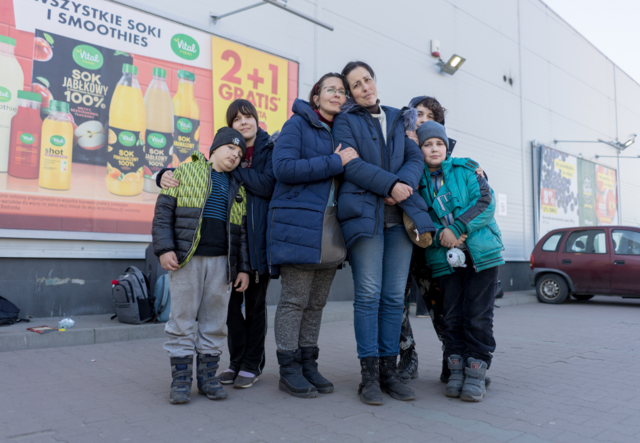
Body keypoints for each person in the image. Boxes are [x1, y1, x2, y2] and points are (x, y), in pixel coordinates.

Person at [332, 61, 435, 405]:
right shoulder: (346, 120)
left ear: (375, 81)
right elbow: (351, 164)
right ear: (350, 92)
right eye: (356, 85)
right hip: (366, 217)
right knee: (369, 295)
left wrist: (403, 184)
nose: (365, 87)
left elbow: (414, 157)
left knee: (394, 298)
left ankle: (390, 372)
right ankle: (369, 377)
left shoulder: (397, 116)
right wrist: (389, 184)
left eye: (367, 80)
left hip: (400, 220)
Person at [158, 100, 276, 389]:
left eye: (249, 116)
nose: (244, 122)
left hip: (241, 253)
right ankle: (199, 375)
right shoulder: (190, 172)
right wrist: (162, 174)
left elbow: (262, 195)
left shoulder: (266, 154)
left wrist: (244, 267)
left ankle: (232, 370)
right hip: (201, 257)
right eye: (237, 119)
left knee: (237, 313)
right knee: (204, 315)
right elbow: (166, 210)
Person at [268, 73, 358, 398]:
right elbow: (284, 168)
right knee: (294, 301)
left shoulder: (346, 130)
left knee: (317, 303)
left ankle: (308, 363)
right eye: (330, 89)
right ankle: (288, 369)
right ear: (316, 96)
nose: (337, 95)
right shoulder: (298, 124)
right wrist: (334, 161)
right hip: (299, 226)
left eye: (341, 91)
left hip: (332, 229)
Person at [152, 127, 251, 405]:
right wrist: (164, 249)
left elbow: (241, 234)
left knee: (215, 323)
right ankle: (181, 381)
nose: (235, 155)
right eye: (231, 148)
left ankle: (208, 378)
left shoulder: (237, 188)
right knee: (182, 320)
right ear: (215, 149)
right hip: (187, 260)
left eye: (240, 152)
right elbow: (163, 214)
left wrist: (242, 268)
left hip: (222, 265)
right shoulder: (183, 172)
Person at [397, 96, 486, 384]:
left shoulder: (451, 160)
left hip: (435, 246)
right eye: (417, 114)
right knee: (397, 301)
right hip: (401, 237)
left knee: (442, 305)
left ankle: (454, 359)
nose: (421, 120)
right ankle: (407, 357)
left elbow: (478, 193)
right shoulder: (398, 149)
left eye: (428, 116)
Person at [416, 120, 504, 402]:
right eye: (427, 145)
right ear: (419, 150)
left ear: (446, 146)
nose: (434, 149)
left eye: (439, 143)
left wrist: (457, 229)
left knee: (478, 315)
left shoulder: (467, 170)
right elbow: (418, 217)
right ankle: (456, 371)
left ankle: (476, 372)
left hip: (481, 254)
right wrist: (442, 234)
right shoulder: (416, 181)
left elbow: (485, 203)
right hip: (445, 258)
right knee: (452, 315)